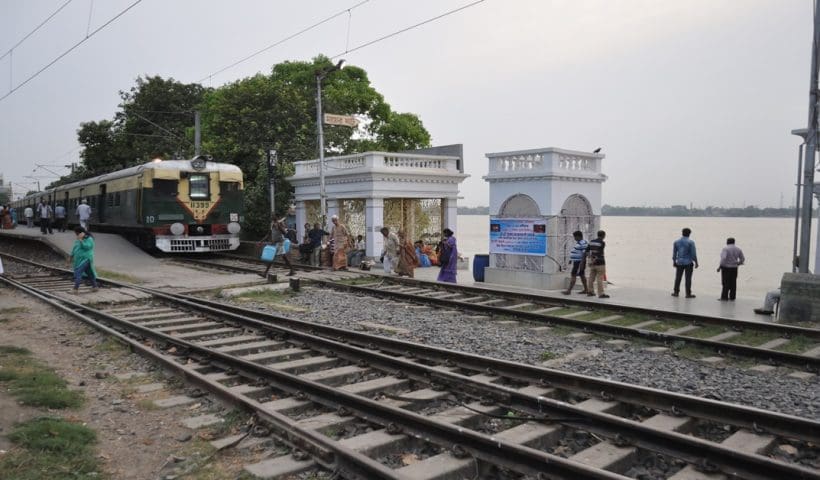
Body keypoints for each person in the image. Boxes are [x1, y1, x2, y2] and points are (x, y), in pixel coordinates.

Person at [68, 227, 98, 293]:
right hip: (79, 260)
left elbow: (87, 247)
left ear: (81, 232)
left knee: (78, 272)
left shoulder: (89, 239)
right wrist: (71, 256)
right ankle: (95, 287)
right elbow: (75, 248)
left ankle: (75, 289)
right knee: (89, 273)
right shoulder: (78, 239)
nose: (76, 234)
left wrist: (81, 240)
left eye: (76, 233)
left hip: (86, 259)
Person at [672, 227, 698, 298]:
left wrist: (674, 261)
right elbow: (693, 254)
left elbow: (674, 253)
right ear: (689, 234)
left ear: (682, 233)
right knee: (688, 278)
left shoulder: (676, 242)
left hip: (679, 262)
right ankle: (688, 293)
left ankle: (676, 292)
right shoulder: (691, 242)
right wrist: (696, 262)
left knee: (678, 277)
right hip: (688, 263)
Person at [717, 237, 745, 301]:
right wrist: (738, 263)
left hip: (726, 268)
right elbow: (742, 259)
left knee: (725, 282)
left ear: (727, 242)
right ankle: (732, 297)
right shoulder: (738, 249)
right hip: (734, 268)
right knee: (733, 282)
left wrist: (719, 267)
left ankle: (724, 297)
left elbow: (723, 259)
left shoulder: (725, 249)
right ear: (734, 242)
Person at [563, 230, 589, 295]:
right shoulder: (579, 242)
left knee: (573, 274)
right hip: (577, 261)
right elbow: (577, 251)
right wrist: (571, 259)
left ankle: (569, 291)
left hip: (579, 262)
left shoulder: (583, 243)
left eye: (575, 237)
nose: (574, 238)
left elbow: (584, 253)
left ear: (578, 236)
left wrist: (582, 263)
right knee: (582, 275)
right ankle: (586, 289)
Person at [586, 230, 609, 298]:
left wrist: (590, 259)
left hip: (592, 263)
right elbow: (599, 252)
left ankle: (590, 292)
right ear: (603, 235)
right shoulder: (602, 242)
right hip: (600, 262)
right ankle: (601, 294)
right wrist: (595, 259)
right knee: (600, 278)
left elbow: (587, 251)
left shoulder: (591, 242)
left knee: (591, 278)